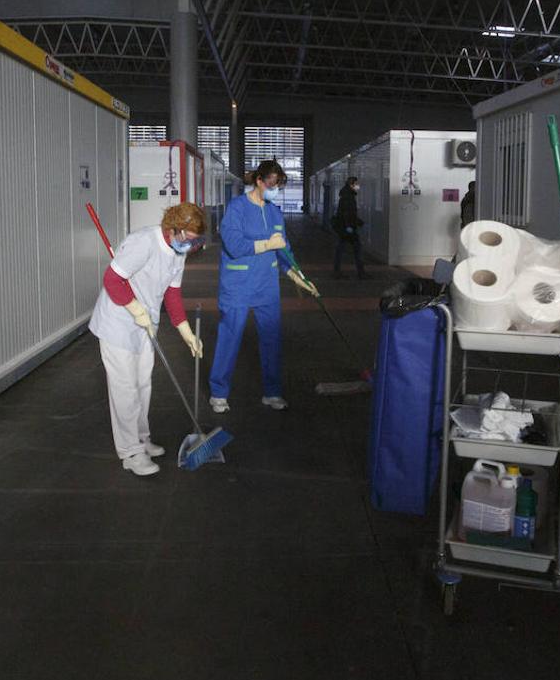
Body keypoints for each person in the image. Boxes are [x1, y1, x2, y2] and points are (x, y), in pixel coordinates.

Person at [88, 202, 207, 476]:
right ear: (174, 229)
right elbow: (112, 280)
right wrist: (135, 309)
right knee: (125, 388)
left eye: (195, 241)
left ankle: (142, 438)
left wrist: (186, 332)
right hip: (118, 322)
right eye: (189, 240)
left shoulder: (179, 251)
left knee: (143, 384)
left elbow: (172, 294)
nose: (191, 246)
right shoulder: (143, 242)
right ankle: (130, 452)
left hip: (145, 324)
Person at [208, 160, 318, 414]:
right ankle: (219, 392)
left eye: (278, 185)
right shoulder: (237, 208)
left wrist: (297, 275)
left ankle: (272, 392)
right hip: (238, 284)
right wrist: (265, 244)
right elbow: (233, 244)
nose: (275, 189)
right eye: (272, 184)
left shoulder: (274, 212)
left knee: (271, 338)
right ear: (259, 181)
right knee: (230, 336)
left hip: (267, 286)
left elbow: (284, 251)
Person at [332, 176, 367, 280]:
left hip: (344, 227)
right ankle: (361, 273)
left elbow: (348, 213)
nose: (358, 186)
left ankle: (337, 271)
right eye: (356, 184)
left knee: (340, 250)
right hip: (347, 228)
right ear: (351, 185)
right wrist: (349, 226)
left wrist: (357, 222)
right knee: (357, 249)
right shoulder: (348, 197)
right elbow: (347, 213)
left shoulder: (346, 195)